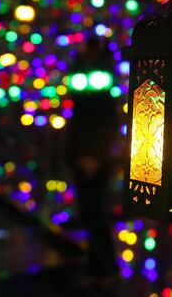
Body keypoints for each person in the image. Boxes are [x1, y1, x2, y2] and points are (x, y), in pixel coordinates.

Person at [67, 36, 120, 286]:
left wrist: (96, 157)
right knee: (88, 215)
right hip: (81, 156)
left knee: (96, 215)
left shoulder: (103, 83)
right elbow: (78, 122)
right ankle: (97, 266)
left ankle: (105, 268)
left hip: (96, 161)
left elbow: (107, 124)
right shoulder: (80, 76)